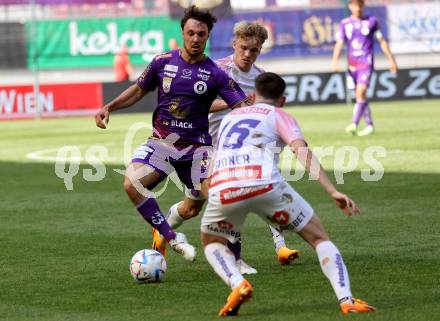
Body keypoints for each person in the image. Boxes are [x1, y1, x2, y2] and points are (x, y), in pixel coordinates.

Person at [200, 72, 377, 316]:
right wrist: (332, 189)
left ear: (252, 96)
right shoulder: (280, 114)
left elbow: (213, 160)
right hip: (265, 184)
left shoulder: (230, 117)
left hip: (224, 185)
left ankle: (238, 283)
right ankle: (346, 299)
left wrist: (213, 195)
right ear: (282, 100)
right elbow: (300, 151)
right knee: (318, 238)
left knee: (211, 242)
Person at [95, 5, 249, 262]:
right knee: (131, 183)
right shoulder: (162, 62)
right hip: (162, 144)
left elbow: (241, 107)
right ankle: (172, 238)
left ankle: (236, 259)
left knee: (214, 202)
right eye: (191, 33)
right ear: (183, 33)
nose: (195, 39)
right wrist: (109, 106)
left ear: (208, 35)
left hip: (197, 150)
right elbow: (137, 90)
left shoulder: (216, 74)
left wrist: (264, 117)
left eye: (201, 34)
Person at [209, 21, 299, 274]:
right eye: (244, 48)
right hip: (208, 146)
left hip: (239, 149)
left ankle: (279, 246)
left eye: (254, 50)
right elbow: (198, 106)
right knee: (192, 205)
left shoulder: (259, 77)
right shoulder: (216, 70)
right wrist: (234, 103)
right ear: (234, 43)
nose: (248, 54)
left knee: (260, 186)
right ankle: (166, 230)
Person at [332, 0, 397, 136]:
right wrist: (335, 61)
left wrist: (392, 60)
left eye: (360, 5)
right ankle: (369, 125)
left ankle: (354, 124)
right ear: (350, 6)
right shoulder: (345, 24)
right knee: (359, 96)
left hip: (366, 63)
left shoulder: (372, 21)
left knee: (361, 92)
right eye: (355, 5)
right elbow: (339, 43)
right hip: (352, 65)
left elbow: (382, 41)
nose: (357, 8)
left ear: (363, 5)